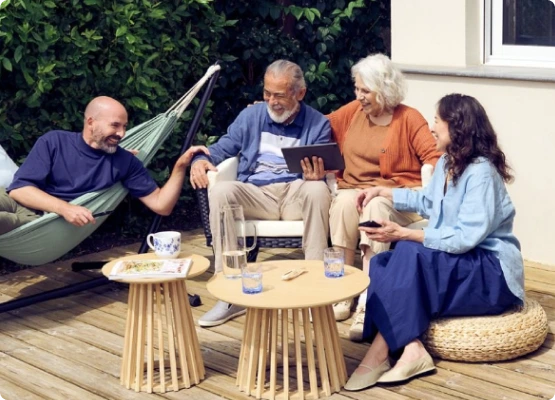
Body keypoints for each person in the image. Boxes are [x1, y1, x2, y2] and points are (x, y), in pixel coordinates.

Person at [343, 94, 524, 391]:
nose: (431, 127)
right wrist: (381, 191)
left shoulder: (481, 174)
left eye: (437, 121)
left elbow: (466, 239)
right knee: (381, 260)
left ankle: (378, 354)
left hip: (492, 272)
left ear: (457, 127)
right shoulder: (446, 164)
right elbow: (427, 202)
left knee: (409, 251)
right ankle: (411, 348)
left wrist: (403, 233)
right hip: (461, 262)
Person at [189, 59, 332, 327]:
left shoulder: (318, 124)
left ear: (299, 93)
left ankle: (315, 285)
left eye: (279, 94)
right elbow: (222, 148)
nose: (271, 100)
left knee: (317, 189)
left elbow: (322, 165)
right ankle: (229, 292)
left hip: (295, 193)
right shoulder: (251, 116)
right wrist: (199, 160)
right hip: (256, 193)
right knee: (221, 190)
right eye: (267, 93)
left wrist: (317, 176)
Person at [326, 53, 442, 340]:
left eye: (365, 90)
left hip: (398, 195)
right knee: (342, 202)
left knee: (375, 205)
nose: (359, 96)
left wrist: (434, 182)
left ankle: (368, 298)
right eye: (357, 89)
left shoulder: (408, 118)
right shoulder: (352, 113)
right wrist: (268, 112)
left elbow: (435, 155)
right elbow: (317, 123)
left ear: (385, 89)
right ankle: (343, 290)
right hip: (355, 191)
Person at [0, 96, 208, 234]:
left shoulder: (124, 162)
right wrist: (65, 208)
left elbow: (162, 205)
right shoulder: (54, 141)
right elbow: (18, 190)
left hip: (39, 222)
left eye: (124, 126)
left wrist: (180, 166)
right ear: (91, 122)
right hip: (20, 201)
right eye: (115, 125)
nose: (122, 134)